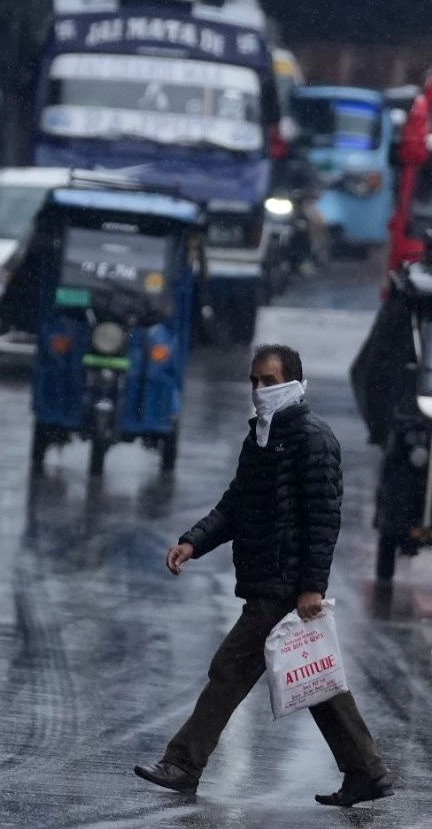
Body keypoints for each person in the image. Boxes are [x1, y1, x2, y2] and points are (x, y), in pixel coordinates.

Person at [135, 344, 393, 808]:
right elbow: (236, 504)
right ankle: (366, 773)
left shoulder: (313, 439)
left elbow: (323, 519)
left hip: (285, 585)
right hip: (269, 581)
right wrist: (193, 542)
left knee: (230, 670)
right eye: (254, 381)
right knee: (316, 684)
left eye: (269, 381)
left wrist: (313, 586)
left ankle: (183, 763)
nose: (259, 390)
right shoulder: (260, 437)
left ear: (294, 382)